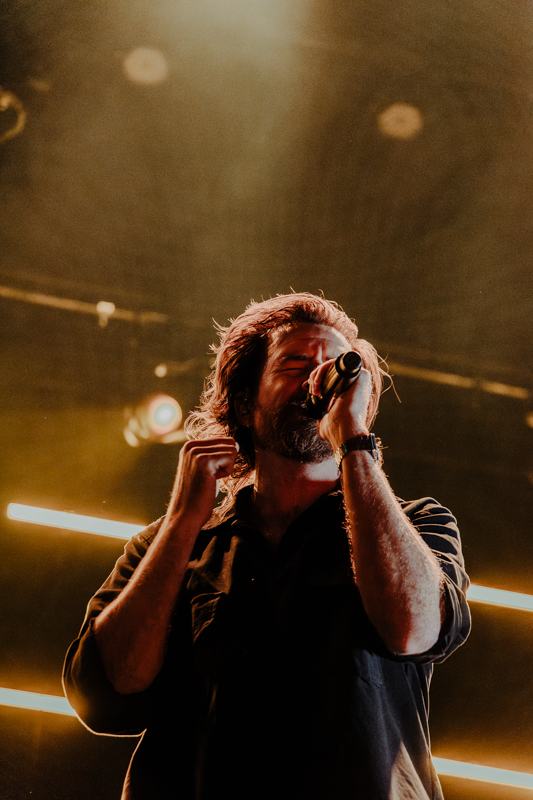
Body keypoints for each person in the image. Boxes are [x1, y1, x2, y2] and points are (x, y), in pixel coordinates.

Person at [63, 292, 471, 800]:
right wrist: (184, 521)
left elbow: (412, 629)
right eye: (295, 364)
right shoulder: (168, 543)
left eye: (334, 367)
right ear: (244, 405)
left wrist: (353, 439)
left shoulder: (418, 523)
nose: (319, 379)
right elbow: (109, 689)